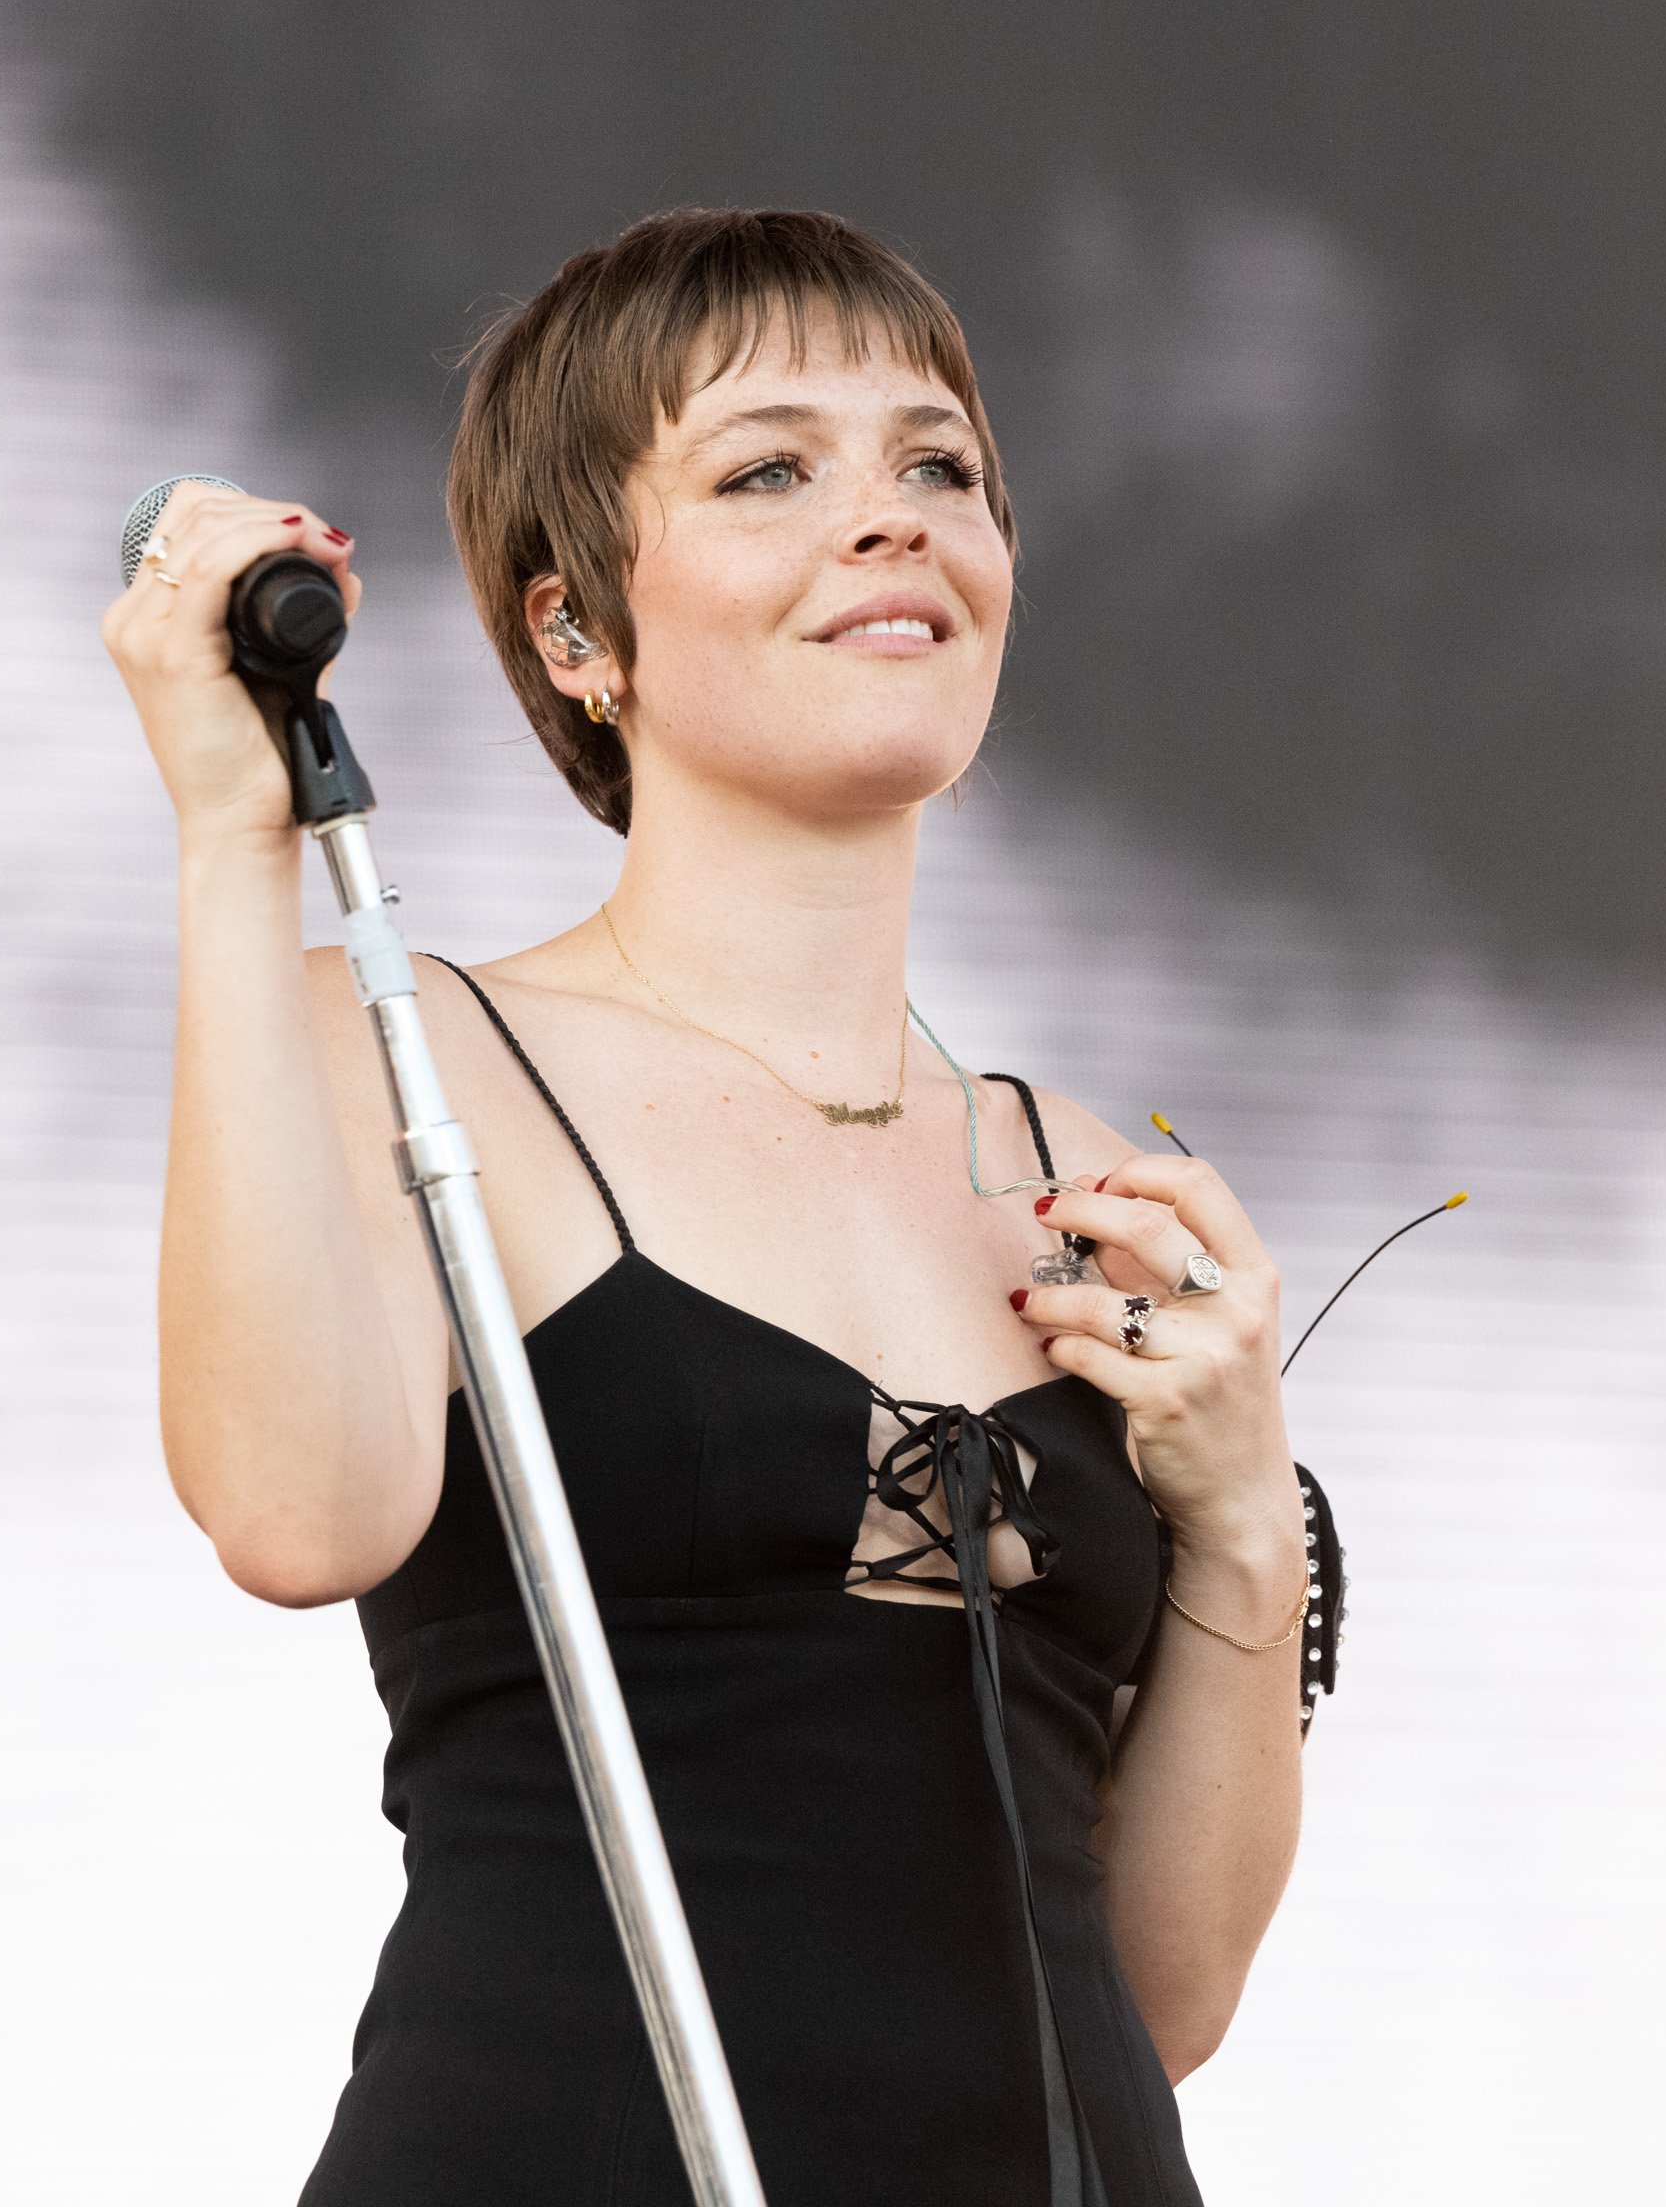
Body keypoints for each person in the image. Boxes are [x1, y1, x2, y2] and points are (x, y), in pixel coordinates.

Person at [105, 208, 1337, 2206]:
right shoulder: (420, 1057)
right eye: (772, 469)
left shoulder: (1096, 1186)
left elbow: (1160, 1998)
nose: (890, 520)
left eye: (940, 467)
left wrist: (1240, 1521)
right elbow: (294, 1516)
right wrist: (236, 841)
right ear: (577, 634)